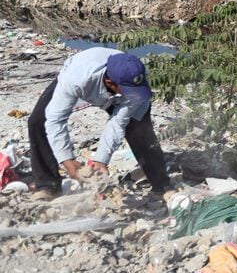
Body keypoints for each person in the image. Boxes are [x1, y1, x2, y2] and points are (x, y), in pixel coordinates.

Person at [27, 47, 169, 199]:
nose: (134, 95)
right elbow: (55, 119)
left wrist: (101, 160)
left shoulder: (135, 79)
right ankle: (48, 185)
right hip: (83, 78)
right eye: (129, 90)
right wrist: (67, 159)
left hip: (119, 94)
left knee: (140, 131)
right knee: (37, 122)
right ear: (109, 82)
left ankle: (162, 185)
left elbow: (117, 124)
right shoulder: (76, 79)